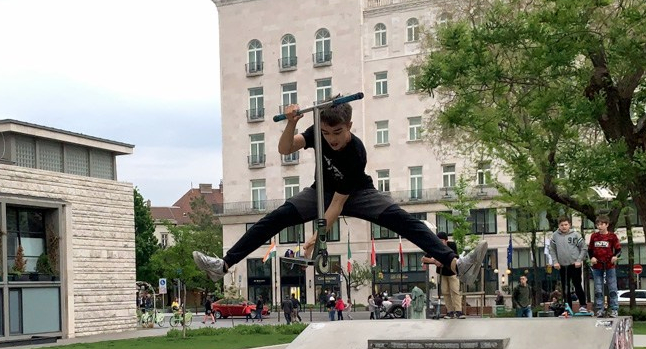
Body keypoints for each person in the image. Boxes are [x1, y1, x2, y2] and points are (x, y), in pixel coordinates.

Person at [193, 101, 487, 295]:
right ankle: (223, 265)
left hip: (356, 193)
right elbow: (286, 149)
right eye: (326, 133)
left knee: (404, 221)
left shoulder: (355, 152)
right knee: (276, 218)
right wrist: (292, 123)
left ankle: (456, 265)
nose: (331, 139)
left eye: (337, 132)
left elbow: (337, 205)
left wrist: (313, 239)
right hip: (319, 190)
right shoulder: (318, 133)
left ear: (349, 127)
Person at [548, 217, 588, 312]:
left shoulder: (575, 235)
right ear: (559, 226)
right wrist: (555, 262)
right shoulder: (555, 236)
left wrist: (579, 260)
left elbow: (584, 248)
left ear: (569, 225)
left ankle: (583, 305)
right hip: (562, 265)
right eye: (562, 225)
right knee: (565, 287)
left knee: (577, 284)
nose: (564, 227)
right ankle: (567, 307)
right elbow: (552, 249)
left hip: (574, 264)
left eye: (566, 225)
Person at [588, 216, 622, 317]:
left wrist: (615, 257)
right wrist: (592, 258)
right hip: (597, 265)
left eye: (602, 224)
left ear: (607, 225)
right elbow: (590, 250)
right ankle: (599, 309)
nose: (599, 226)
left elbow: (618, 250)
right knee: (598, 288)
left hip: (609, 265)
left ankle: (614, 308)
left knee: (612, 288)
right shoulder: (594, 236)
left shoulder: (612, 237)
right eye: (598, 225)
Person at [434, 231, 465, 319]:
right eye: (438, 240)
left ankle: (458, 311)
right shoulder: (436, 246)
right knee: (445, 292)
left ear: (446, 241)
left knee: (455, 291)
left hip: (452, 272)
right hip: (442, 273)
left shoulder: (452, 245)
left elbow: (454, 256)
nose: (440, 242)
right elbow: (425, 258)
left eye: (442, 240)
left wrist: (443, 261)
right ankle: (450, 311)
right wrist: (435, 261)